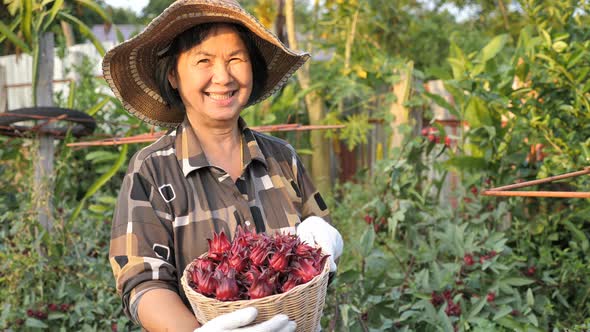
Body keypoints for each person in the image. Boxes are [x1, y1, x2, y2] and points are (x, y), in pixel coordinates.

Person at [103, 0, 343, 331]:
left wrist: (325, 241)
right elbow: (143, 283)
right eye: (203, 60)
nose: (223, 76)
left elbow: (319, 254)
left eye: (235, 59)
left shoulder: (282, 158)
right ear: (173, 75)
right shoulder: (152, 171)